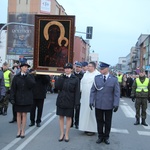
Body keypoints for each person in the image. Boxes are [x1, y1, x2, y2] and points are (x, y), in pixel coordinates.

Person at [90, 62, 120, 145]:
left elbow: (116, 93)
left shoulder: (114, 79)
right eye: (100, 69)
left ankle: (106, 137)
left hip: (109, 104)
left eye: (102, 69)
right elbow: (93, 90)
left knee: (107, 122)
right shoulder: (97, 78)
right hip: (99, 103)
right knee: (99, 121)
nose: (101, 70)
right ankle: (100, 136)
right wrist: (91, 101)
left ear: (107, 69)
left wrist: (116, 104)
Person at [55, 63, 80, 142]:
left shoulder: (75, 79)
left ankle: (67, 134)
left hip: (70, 100)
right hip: (61, 100)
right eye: (65, 68)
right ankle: (62, 133)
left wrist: (77, 103)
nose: (67, 70)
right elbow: (57, 87)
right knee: (61, 117)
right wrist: (61, 78)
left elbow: (77, 92)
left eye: (69, 68)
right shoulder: (61, 77)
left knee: (69, 118)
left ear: (71, 69)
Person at [10, 62, 35, 138]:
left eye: (27, 67)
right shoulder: (16, 77)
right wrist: (12, 98)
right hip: (18, 98)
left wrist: (27, 76)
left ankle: (23, 131)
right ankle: (19, 130)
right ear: (21, 67)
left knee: (24, 114)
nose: (25, 68)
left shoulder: (29, 76)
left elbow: (32, 85)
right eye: (24, 67)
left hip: (26, 98)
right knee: (18, 114)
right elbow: (13, 88)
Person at [79, 61, 100, 136]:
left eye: (90, 66)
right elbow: (82, 83)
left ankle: (92, 129)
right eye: (88, 66)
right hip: (84, 96)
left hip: (93, 97)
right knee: (84, 112)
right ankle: (85, 127)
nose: (88, 67)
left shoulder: (97, 75)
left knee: (92, 113)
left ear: (94, 67)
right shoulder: (85, 74)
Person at [72, 62, 84, 129]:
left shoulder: (83, 75)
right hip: (72, 93)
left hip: (79, 94)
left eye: (79, 67)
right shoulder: (72, 74)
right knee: (71, 109)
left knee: (78, 109)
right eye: (77, 67)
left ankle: (77, 122)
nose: (77, 68)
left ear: (81, 68)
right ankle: (70, 122)